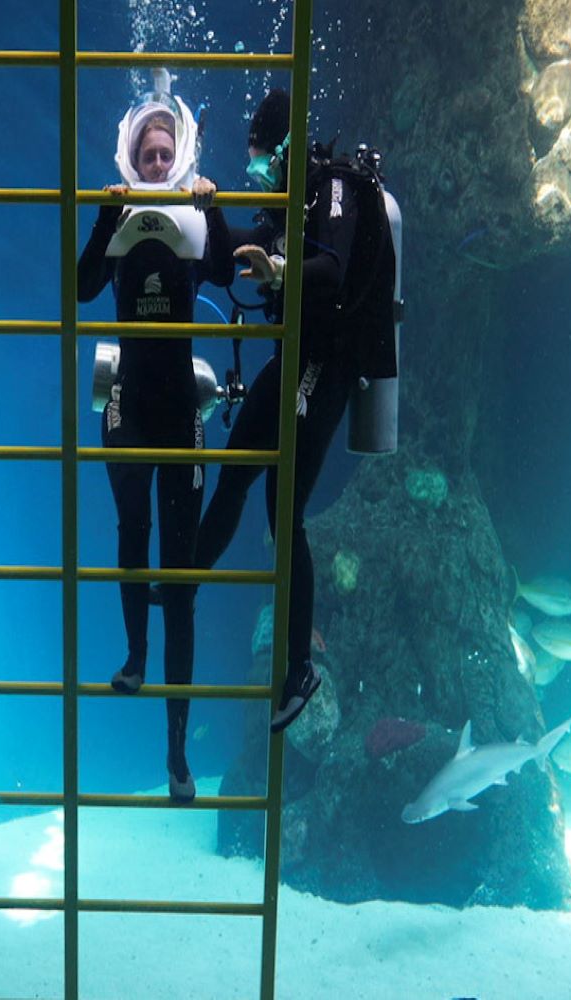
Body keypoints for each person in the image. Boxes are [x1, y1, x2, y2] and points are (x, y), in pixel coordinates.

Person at [194, 88, 397, 734]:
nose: (259, 175)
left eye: (261, 164)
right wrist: (210, 208)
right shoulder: (290, 203)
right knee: (233, 471)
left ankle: (299, 670)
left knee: (284, 511)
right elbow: (236, 255)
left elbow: (332, 270)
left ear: (285, 150)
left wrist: (281, 272)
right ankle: (184, 579)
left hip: (330, 360)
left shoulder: (332, 188)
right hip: (295, 355)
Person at [77, 83, 234, 802]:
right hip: (128, 406)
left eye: (168, 152)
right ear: (132, 159)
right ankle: (136, 655)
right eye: (149, 153)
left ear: (181, 157)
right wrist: (107, 209)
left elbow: (228, 271)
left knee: (184, 578)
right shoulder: (118, 217)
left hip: (179, 411)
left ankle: (177, 753)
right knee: (132, 523)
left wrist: (213, 206)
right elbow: (81, 289)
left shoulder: (193, 218)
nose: (159, 160)